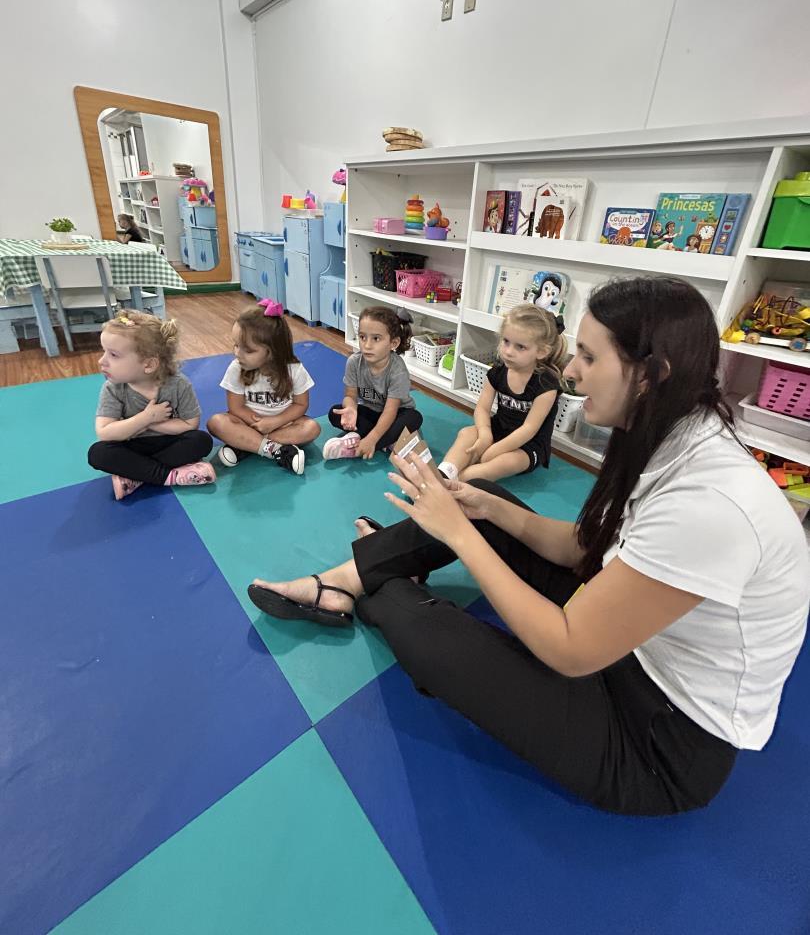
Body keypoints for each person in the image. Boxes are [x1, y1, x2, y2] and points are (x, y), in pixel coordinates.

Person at [247, 277, 810, 816]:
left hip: (657, 742)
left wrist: (459, 535)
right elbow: (579, 549)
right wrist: (485, 511)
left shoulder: (709, 503)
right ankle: (349, 577)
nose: (570, 371)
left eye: (588, 357)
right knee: (487, 496)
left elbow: (569, 648)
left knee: (432, 637)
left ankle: (372, 586)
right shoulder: (670, 436)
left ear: (650, 374)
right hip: (634, 644)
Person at [88, 310, 215, 500]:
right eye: (104, 352)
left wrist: (153, 423)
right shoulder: (113, 388)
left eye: (113, 355)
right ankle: (170, 476)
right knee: (98, 454)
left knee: (202, 441)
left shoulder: (179, 384)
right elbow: (105, 432)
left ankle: (136, 476)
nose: (102, 361)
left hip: (168, 442)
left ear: (148, 365)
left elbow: (190, 424)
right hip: (130, 444)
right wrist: (145, 419)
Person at [437, 305, 564, 483]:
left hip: (528, 445)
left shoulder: (546, 385)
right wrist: (485, 434)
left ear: (541, 352)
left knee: (502, 463)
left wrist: (495, 450)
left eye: (520, 347)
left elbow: (529, 429)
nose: (508, 351)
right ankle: (444, 473)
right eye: (506, 341)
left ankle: (453, 484)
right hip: (499, 429)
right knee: (466, 434)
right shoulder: (498, 372)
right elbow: (482, 408)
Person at [207, 299, 320, 474]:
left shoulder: (294, 370)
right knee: (216, 423)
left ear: (272, 351)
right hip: (248, 424)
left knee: (312, 428)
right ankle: (277, 450)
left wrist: (275, 421)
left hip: (284, 425)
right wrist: (258, 424)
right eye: (236, 345)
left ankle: (245, 446)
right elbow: (235, 407)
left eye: (248, 350)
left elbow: (301, 404)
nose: (237, 353)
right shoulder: (236, 367)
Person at [322, 305, 423, 461]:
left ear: (393, 343)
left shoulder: (398, 371)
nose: (367, 345)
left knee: (415, 418)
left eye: (376, 338)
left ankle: (359, 446)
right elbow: (350, 395)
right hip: (372, 413)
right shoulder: (354, 362)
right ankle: (390, 441)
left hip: (396, 414)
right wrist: (351, 408)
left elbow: (390, 411)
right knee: (335, 412)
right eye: (363, 337)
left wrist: (371, 440)